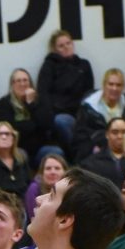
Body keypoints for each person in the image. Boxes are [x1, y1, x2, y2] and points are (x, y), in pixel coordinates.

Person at [37, 29, 94, 157]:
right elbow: (43, 93)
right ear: (55, 49)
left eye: (68, 43)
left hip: (80, 113)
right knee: (61, 121)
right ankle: (76, 156)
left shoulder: (84, 65)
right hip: (59, 113)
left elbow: (89, 92)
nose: (66, 47)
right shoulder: (49, 66)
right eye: (61, 46)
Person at [0, 68, 61, 165]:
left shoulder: (40, 101)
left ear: (30, 83)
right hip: (17, 147)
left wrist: (31, 105)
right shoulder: (4, 103)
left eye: (25, 80)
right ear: (12, 85)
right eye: (18, 81)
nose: (22, 84)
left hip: (40, 149)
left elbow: (48, 125)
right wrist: (34, 125)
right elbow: (8, 129)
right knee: (20, 154)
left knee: (56, 152)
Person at [73, 67, 125, 161]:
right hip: (94, 148)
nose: (114, 88)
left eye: (118, 85)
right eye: (111, 84)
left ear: (123, 87)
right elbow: (81, 134)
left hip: (122, 147)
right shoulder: (88, 105)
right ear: (104, 85)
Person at [81, 116, 125, 188]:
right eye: (115, 132)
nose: (120, 136)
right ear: (107, 135)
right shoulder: (91, 163)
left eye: (124, 132)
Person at [24, 154, 68, 222]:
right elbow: (34, 220)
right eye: (48, 168)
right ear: (42, 173)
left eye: (57, 168)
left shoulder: (70, 190)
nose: (52, 172)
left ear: (65, 172)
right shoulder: (34, 188)